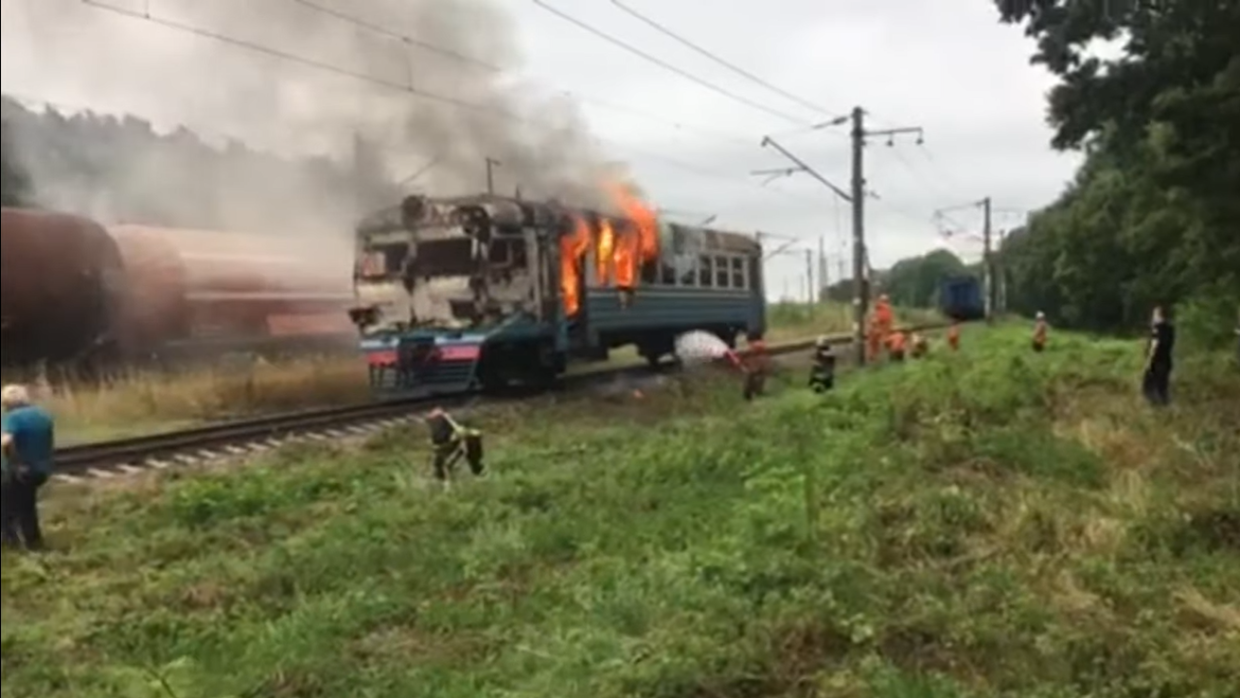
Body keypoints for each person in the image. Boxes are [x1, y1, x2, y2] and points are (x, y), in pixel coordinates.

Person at [2, 384, 55, 551]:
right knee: (26, 506)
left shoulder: (13, 417)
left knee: (7, 508)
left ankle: (12, 543)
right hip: (40, 470)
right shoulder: (42, 415)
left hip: (20, 472)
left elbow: (6, 440)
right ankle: (34, 543)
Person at [425, 407, 484, 485]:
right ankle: (476, 471)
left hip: (450, 442)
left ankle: (476, 471)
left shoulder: (445, 424)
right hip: (447, 443)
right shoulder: (442, 426)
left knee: (471, 441)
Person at [1142, 305, 1175, 406]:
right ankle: (1165, 408)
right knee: (1163, 388)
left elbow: (1155, 344)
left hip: (1156, 362)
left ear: (1158, 315)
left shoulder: (1157, 328)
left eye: (1154, 315)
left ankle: (1155, 408)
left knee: (1148, 387)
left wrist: (1149, 361)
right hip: (1167, 361)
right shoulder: (1170, 328)